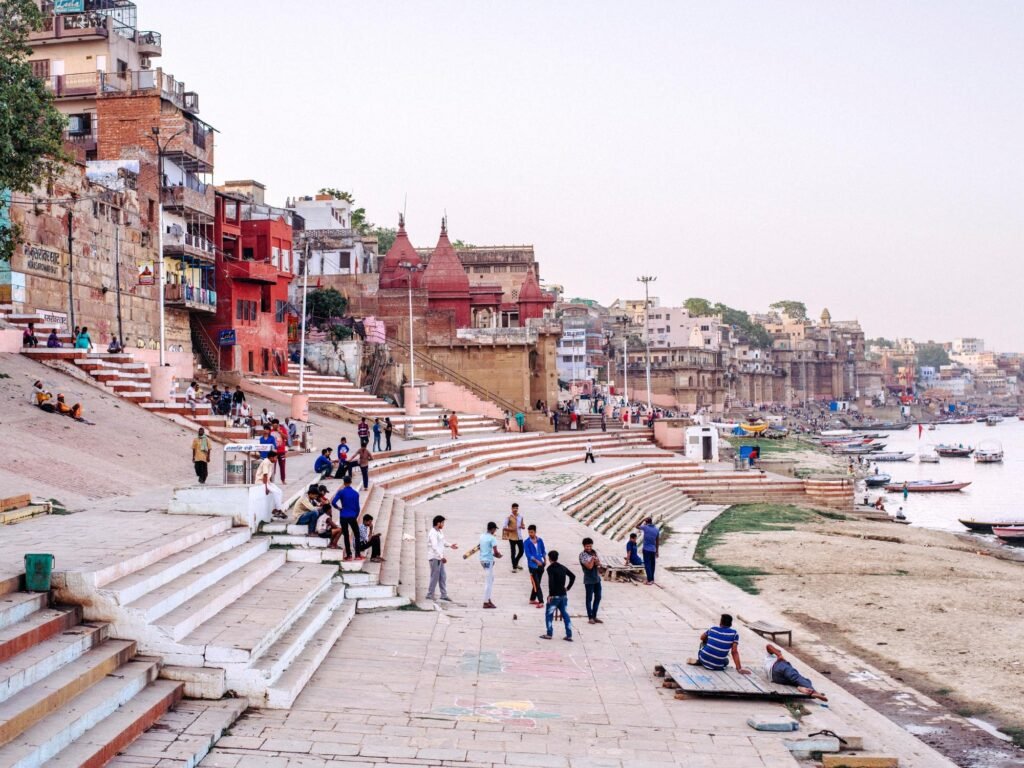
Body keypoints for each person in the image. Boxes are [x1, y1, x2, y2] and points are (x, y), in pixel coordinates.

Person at [762, 643, 828, 700]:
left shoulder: (768, 660)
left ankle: (801, 688)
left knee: (803, 680)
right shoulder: (771, 656)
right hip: (776, 667)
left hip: (775, 678)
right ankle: (813, 692)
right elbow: (769, 646)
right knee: (795, 676)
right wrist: (779, 655)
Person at [539, 550, 575, 642]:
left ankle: (549, 633)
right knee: (565, 614)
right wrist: (568, 587)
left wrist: (550, 595)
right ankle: (569, 635)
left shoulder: (550, 569)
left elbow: (551, 582)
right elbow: (572, 576)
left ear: (549, 558)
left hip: (555, 596)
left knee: (549, 614)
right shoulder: (562, 567)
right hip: (563, 595)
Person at [426, 515, 458, 601]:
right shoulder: (433, 533)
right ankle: (429, 594)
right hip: (435, 558)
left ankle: (444, 595)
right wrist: (441, 557)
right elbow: (434, 546)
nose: (443, 524)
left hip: (439, 558)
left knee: (443, 576)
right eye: (442, 523)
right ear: (438, 523)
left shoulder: (439, 531)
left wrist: (451, 545)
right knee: (435, 577)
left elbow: (443, 542)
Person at [330, 476, 361, 560]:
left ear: (344, 482)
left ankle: (349, 555)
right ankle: (357, 555)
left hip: (343, 515)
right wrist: (355, 515)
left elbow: (333, 502)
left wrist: (339, 508)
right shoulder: (356, 493)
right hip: (352, 516)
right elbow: (358, 507)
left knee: (346, 535)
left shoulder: (341, 492)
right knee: (357, 534)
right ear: (351, 482)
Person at [479, 522, 503, 609]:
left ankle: (488, 599)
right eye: (495, 529)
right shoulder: (492, 538)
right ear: (492, 529)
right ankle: (486, 602)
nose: (495, 531)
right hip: (488, 561)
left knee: (491, 579)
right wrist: (499, 555)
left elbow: (481, 547)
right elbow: (496, 552)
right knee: (488, 582)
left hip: (482, 560)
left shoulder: (482, 536)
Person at [579, 538, 603, 624]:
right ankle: (590, 617)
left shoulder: (594, 552)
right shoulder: (582, 555)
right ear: (584, 546)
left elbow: (598, 563)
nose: (589, 548)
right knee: (589, 599)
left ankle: (594, 616)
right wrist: (593, 559)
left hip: (597, 579)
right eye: (587, 546)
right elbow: (589, 566)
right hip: (589, 580)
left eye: (590, 546)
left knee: (598, 597)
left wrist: (597, 562)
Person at [255, 452, 285, 521]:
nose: (276, 459)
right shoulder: (266, 462)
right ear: (271, 458)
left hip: (267, 481)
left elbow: (268, 476)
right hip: (261, 482)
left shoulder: (270, 463)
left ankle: (277, 509)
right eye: (275, 457)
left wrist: (270, 484)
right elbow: (265, 475)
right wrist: (266, 487)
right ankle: (278, 510)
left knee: (279, 491)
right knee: (275, 492)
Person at [524, 524, 547, 606]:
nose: (530, 534)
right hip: (532, 566)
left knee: (537, 583)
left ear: (535, 532)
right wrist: (536, 561)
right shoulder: (526, 542)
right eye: (529, 532)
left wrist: (545, 559)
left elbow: (543, 550)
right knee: (536, 584)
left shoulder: (540, 540)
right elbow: (528, 555)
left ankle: (532, 599)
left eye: (532, 532)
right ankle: (541, 601)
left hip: (541, 565)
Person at [637, 517, 659, 585]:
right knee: (652, 565)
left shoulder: (645, 527)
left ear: (646, 522)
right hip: (653, 550)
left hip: (646, 549)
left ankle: (649, 580)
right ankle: (652, 579)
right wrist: (657, 551)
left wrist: (642, 519)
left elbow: (637, 526)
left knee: (647, 565)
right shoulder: (656, 529)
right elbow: (657, 541)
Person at [504, 503, 525, 572]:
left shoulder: (520, 516)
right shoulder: (508, 517)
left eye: (516, 508)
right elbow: (504, 528)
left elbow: (523, 525)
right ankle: (514, 567)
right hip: (512, 538)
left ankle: (515, 563)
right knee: (513, 552)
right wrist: (512, 530)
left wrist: (522, 527)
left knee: (521, 551)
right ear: (511, 508)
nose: (515, 509)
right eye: (514, 508)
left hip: (519, 537)